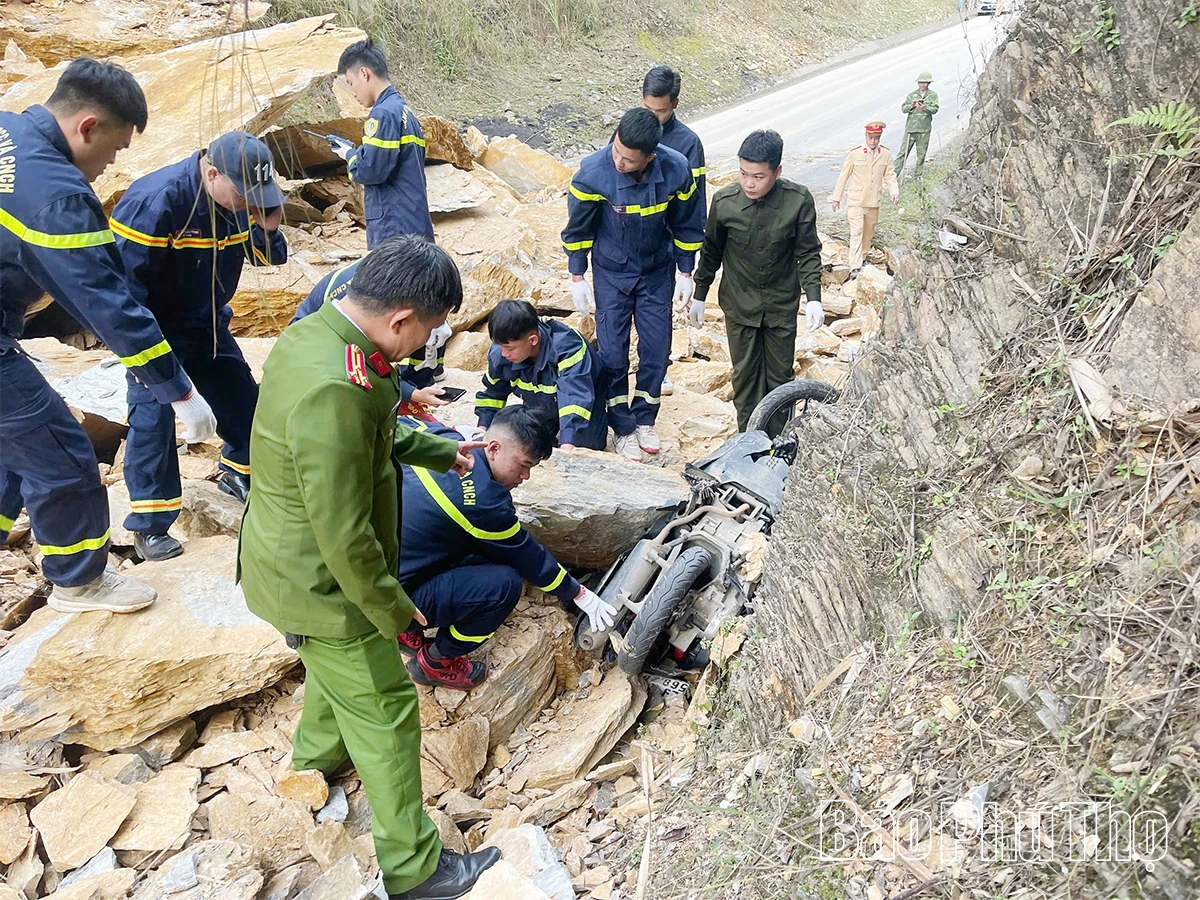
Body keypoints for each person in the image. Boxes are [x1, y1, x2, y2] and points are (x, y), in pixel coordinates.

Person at [238, 235, 501, 900]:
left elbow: (368, 432)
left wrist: (437, 450)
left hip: (286, 561)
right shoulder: (338, 387)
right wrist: (393, 609)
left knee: (336, 676)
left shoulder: (319, 335)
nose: (424, 346)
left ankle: (313, 766)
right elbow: (345, 534)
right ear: (400, 318)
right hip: (321, 582)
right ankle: (416, 870)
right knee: (385, 709)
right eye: (428, 331)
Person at [0, 58, 217, 613]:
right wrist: (178, 390)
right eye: (115, 149)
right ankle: (80, 581)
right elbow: (109, 304)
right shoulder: (56, 197)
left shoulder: (7, 130)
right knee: (62, 454)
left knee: (13, 446)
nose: (111, 165)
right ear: (88, 126)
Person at [109, 131, 287, 562]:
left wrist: (268, 224)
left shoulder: (237, 202)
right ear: (212, 174)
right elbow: (120, 293)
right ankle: (150, 526)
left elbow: (270, 259)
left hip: (206, 322)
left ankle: (239, 471)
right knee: (153, 420)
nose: (247, 203)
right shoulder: (157, 202)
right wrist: (145, 360)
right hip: (152, 329)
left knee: (243, 401)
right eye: (244, 195)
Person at [397, 405, 617, 690]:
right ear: (493, 447)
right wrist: (578, 593)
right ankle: (436, 661)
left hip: (371, 574)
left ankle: (406, 633)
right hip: (392, 603)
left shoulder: (434, 436)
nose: (526, 476)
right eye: (524, 464)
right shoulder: (486, 503)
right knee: (504, 586)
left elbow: (398, 424)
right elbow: (530, 558)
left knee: (468, 545)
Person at [561, 107, 704, 462]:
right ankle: (622, 426)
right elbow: (578, 228)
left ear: (650, 157)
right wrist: (577, 275)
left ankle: (644, 418)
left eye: (628, 159)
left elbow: (686, 223)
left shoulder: (676, 170)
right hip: (612, 272)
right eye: (617, 152)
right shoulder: (593, 173)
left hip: (656, 270)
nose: (619, 161)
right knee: (613, 353)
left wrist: (686, 271)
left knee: (656, 349)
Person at [693, 130, 823, 431]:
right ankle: (748, 441)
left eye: (759, 176)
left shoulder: (798, 201)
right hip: (740, 305)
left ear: (777, 172)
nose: (749, 183)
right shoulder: (725, 202)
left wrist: (814, 297)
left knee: (780, 379)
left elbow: (808, 252)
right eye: (743, 174)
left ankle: (778, 442)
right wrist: (700, 292)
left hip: (780, 305)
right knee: (745, 378)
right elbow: (711, 251)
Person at [290, 250, 454, 419]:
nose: (426, 338)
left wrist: (413, 392)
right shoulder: (354, 318)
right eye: (429, 329)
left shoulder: (391, 280)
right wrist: (409, 392)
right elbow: (366, 368)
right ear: (399, 320)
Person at [641, 64, 706, 397]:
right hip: (624, 240)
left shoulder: (688, 143)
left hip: (664, 243)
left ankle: (657, 371)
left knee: (657, 313)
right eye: (648, 109)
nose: (654, 118)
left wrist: (686, 265)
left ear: (675, 105)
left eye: (661, 112)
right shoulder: (629, 130)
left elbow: (693, 208)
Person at [335, 39, 434, 249]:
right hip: (413, 223)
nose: (353, 92)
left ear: (364, 73)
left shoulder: (382, 114)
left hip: (393, 229)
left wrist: (349, 155)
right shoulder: (404, 111)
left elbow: (370, 170)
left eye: (351, 83)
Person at [474, 299, 607, 451]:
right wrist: (482, 432)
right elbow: (493, 393)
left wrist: (567, 450)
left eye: (509, 349)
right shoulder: (502, 351)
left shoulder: (568, 349)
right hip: (539, 401)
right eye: (500, 346)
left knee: (587, 445)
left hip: (585, 394)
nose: (504, 354)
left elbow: (575, 399)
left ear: (533, 340)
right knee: (528, 444)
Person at [829, 121, 899, 279]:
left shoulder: (885, 154)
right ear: (866, 136)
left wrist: (894, 192)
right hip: (856, 201)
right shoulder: (855, 154)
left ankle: (862, 257)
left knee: (868, 233)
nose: (873, 141)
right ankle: (854, 266)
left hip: (873, 202)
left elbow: (890, 175)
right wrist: (836, 198)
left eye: (877, 138)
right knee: (857, 232)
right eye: (871, 137)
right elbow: (843, 176)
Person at [896, 72, 939, 179]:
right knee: (902, 153)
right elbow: (904, 109)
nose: (922, 85)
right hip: (911, 129)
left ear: (928, 83)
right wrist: (912, 106)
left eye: (925, 82)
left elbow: (935, 109)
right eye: (920, 82)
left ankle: (918, 175)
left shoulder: (933, 95)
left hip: (924, 129)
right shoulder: (912, 95)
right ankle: (893, 176)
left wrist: (926, 108)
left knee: (921, 154)